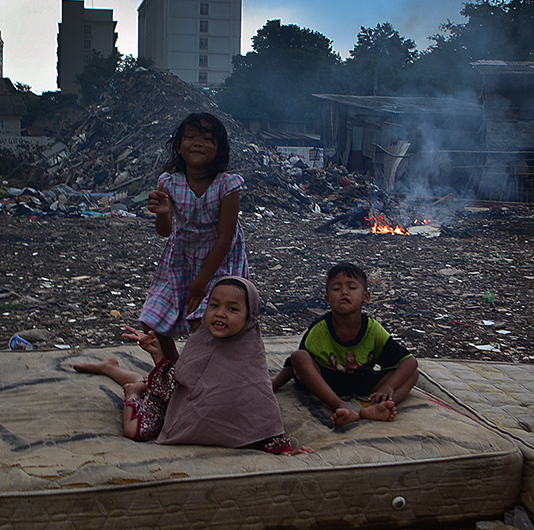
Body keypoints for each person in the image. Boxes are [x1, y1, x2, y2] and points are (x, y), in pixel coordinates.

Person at [74, 277, 311, 455]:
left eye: (232, 309)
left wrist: (282, 448)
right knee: (135, 430)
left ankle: (116, 370)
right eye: (214, 305)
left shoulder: (251, 357)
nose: (220, 314)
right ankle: (132, 390)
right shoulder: (202, 341)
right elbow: (178, 383)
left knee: (149, 381)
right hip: (178, 403)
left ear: (250, 316)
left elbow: (259, 409)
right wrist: (157, 353)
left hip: (193, 404)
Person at [140, 113, 249, 362]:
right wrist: (163, 213)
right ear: (178, 146)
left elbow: (226, 238)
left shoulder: (228, 185)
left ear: (219, 149)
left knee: (208, 324)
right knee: (153, 321)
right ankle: (178, 371)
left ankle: (206, 373)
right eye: (190, 137)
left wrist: (201, 283)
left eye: (208, 139)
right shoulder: (168, 183)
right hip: (182, 258)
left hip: (221, 261)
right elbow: (165, 231)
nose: (198, 143)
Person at [273, 262, 418, 427]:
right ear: (327, 299)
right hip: (325, 382)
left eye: (352, 288)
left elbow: (409, 361)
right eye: (336, 289)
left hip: (361, 379)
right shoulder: (320, 329)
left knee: (412, 375)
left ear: (366, 297)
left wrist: (389, 387)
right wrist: (275, 385)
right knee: (299, 356)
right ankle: (341, 407)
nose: (344, 292)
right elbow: (296, 362)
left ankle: (378, 407)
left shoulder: (373, 330)